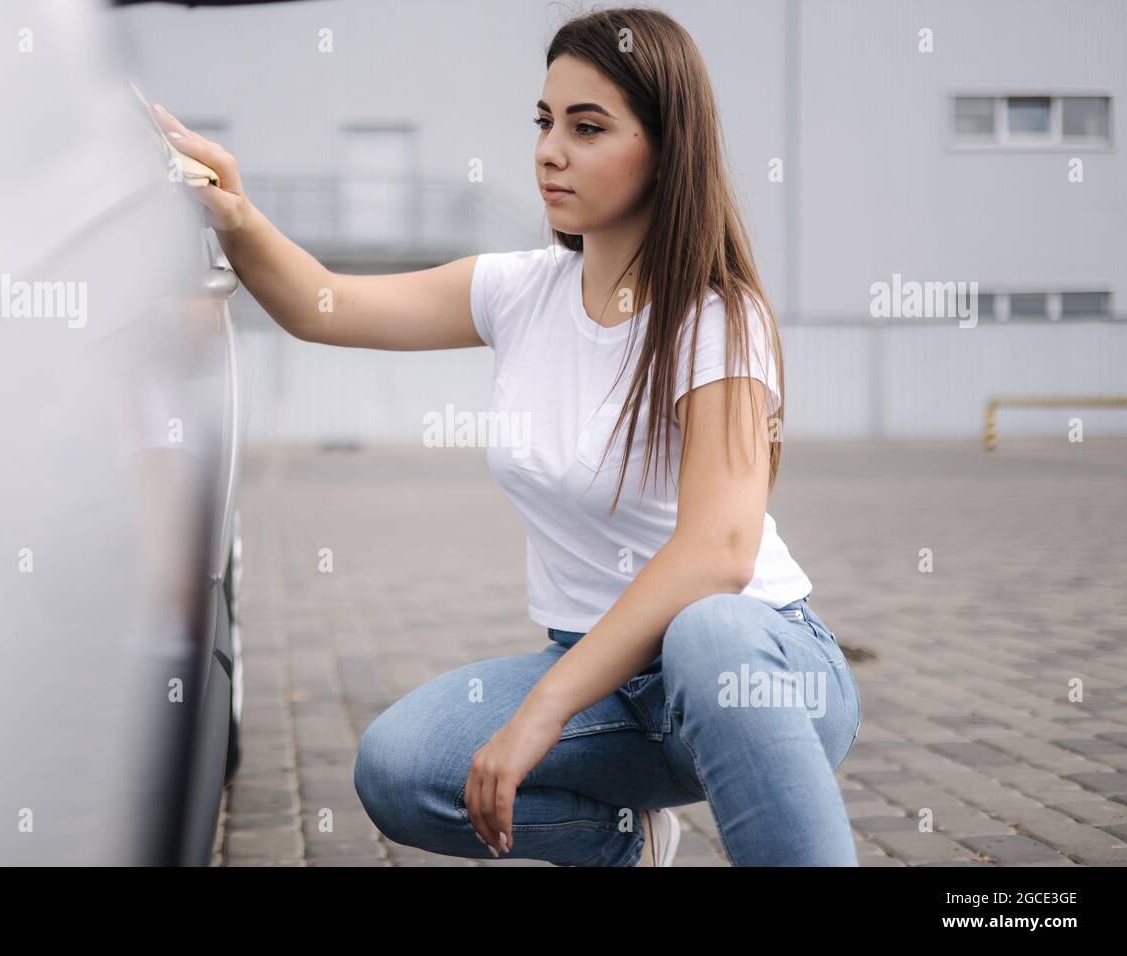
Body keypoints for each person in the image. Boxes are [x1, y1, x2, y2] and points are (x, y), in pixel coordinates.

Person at [153, 5, 861, 867]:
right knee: (400, 768)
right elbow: (320, 305)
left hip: (759, 668)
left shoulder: (718, 317)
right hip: (608, 682)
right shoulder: (518, 291)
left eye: (588, 126)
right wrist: (234, 211)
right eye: (544, 120)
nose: (549, 150)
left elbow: (719, 552)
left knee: (708, 629)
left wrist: (541, 711)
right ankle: (624, 845)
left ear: (669, 147)